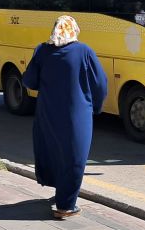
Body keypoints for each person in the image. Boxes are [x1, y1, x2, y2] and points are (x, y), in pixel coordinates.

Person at [23, 15, 108, 219]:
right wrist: (96, 107)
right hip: (77, 115)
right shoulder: (84, 51)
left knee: (53, 152)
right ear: (74, 30)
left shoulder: (42, 50)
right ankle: (65, 206)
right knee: (74, 157)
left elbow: (29, 81)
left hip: (48, 114)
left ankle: (61, 194)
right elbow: (101, 84)